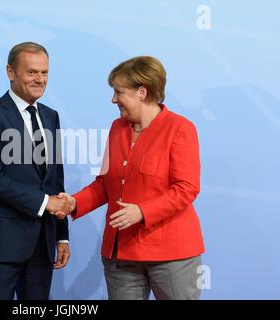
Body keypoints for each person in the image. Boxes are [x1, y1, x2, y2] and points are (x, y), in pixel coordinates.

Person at [58, 56, 205, 300]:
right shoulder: (118, 128)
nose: (113, 99)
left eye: (119, 92)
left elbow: (186, 188)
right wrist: (73, 203)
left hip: (171, 254)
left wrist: (142, 211)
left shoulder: (180, 128)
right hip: (121, 252)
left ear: (142, 92)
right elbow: (105, 184)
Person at [0, 42, 71, 300]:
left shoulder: (51, 116)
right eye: (32, 72)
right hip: (0, 243)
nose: (40, 80)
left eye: (44, 73)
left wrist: (61, 237)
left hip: (42, 244)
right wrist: (46, 203)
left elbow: (54, 178)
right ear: (10, 72)